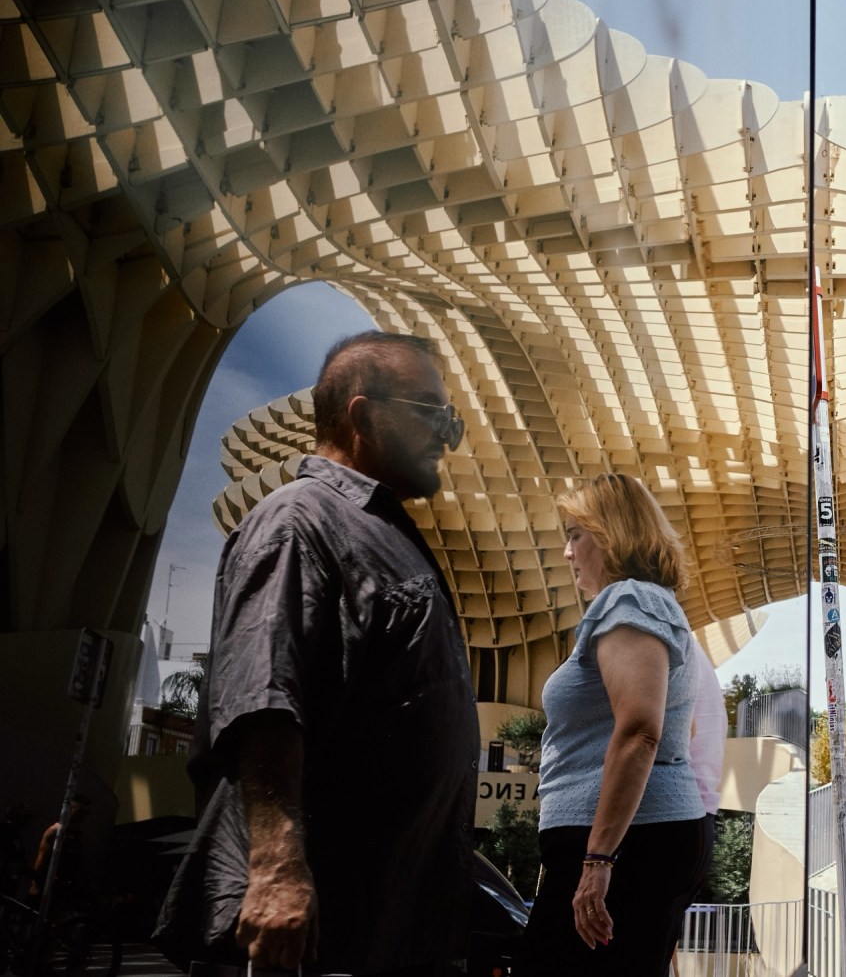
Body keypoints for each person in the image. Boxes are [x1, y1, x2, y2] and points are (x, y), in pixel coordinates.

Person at [155, 332, 479, 976]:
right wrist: (277, 868)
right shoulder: (299, 522)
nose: (447, 435)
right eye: (433, 412)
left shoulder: (383, 534)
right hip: (323, 924)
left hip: (385, 919)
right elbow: (264, 697)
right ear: (364, 415)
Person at [523, 473, 709, 975]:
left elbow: (641, 730)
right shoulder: (652, 604)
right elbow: (682, 730)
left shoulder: (627, 600)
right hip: (638, 839)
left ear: (612, 534)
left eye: (575, 535)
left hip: (623, 845)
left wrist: (599, 859)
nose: (568, 552)